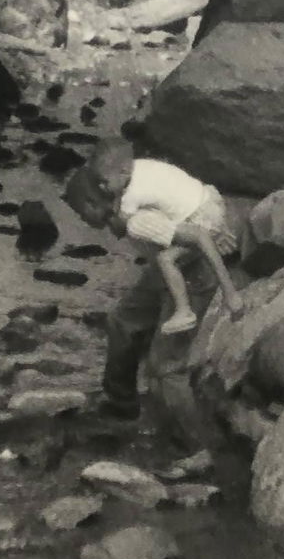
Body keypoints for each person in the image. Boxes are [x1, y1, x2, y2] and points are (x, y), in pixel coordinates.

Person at [65, 140, 244, 420]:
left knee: (166, 365)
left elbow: (196, 235)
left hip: (194, 270)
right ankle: (121, 403)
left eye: (82, 214)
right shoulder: (124, 201)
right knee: (121, 321)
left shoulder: (137, 217)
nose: (83, 222)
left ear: (95, 201)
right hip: (167, 266)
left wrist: (229, 288)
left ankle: (191, 446)